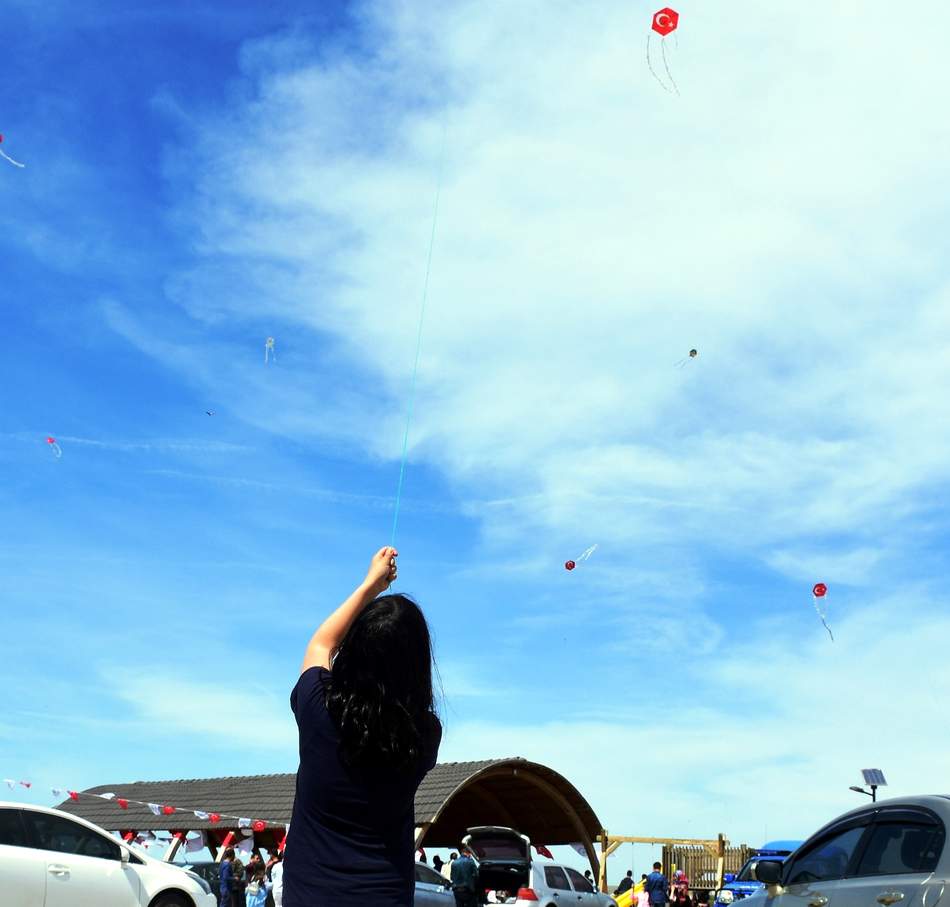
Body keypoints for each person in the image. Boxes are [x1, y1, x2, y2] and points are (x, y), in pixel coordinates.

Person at [283, 547, 442, 907]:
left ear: (353, 652)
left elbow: (323, 642)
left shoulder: (317, 709)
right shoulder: (425, 734)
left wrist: (370, 585)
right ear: (418, 667)